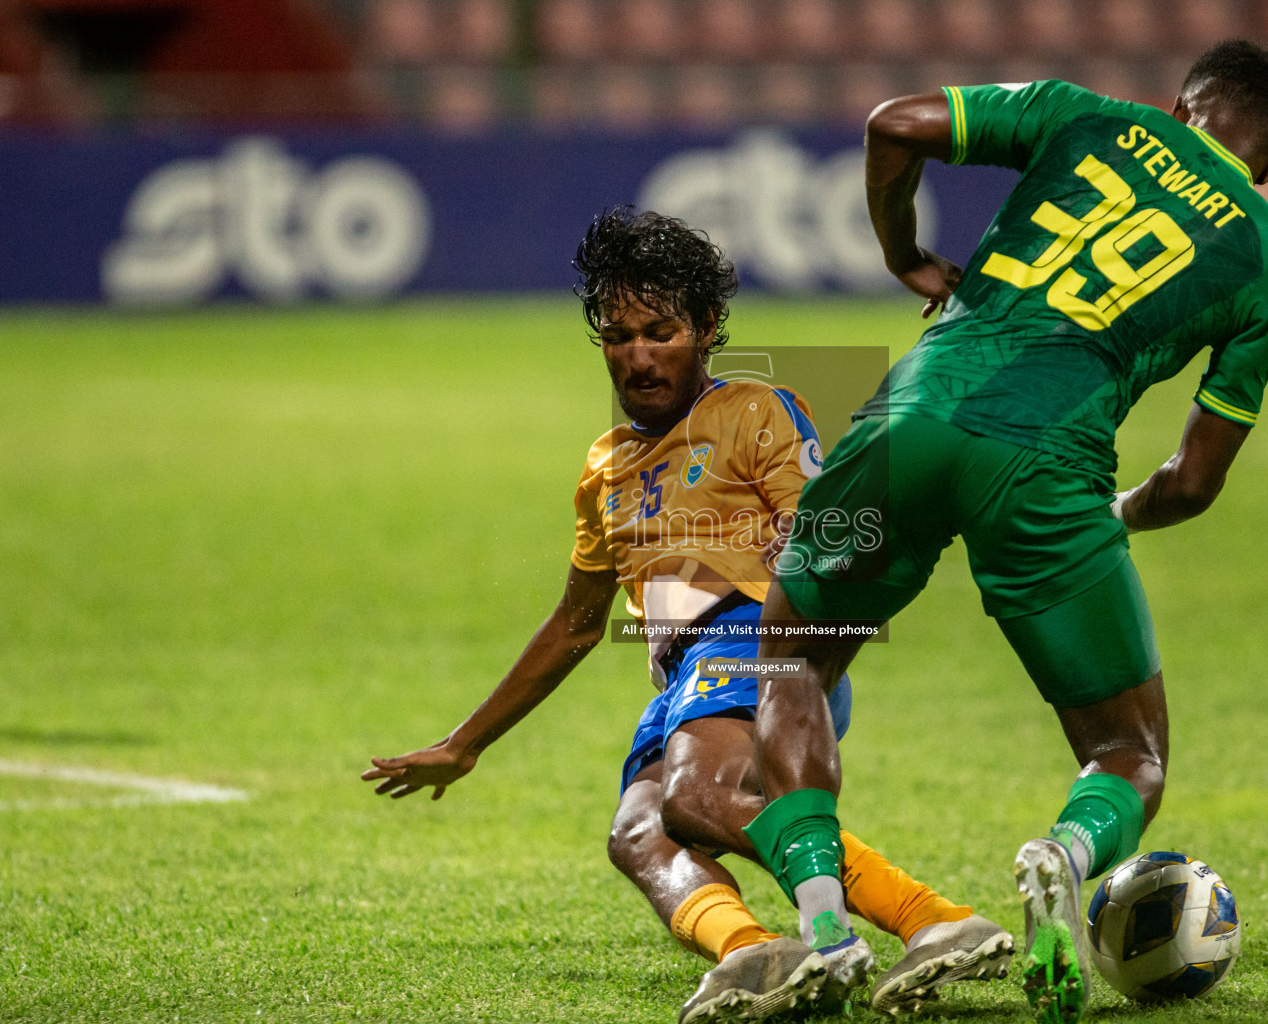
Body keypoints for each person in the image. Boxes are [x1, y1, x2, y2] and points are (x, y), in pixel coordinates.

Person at [737, 41, 1268, 1024]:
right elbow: (1194, 479)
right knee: (1130, 753)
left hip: (910, 415)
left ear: (1183, 104)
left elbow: (891, 125)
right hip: (1049, 468)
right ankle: (1066, 855)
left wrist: (900, 253)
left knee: (792, 668)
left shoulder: (1084, 116)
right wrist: (1113, 516)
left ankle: (827, 931)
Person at [359, 208, 1014, 1023]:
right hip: (683, 681)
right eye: (618, 335)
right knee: (638, 832)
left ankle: (930, 923)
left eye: (660, 331)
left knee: (695, 798)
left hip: (762, 644)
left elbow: (824, 548)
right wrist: (465, 745)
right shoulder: (606, 468)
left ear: (706, 327)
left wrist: (761, 600)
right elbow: (573, 623)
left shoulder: (756, 411)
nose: (637, 355)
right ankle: (754, 953)